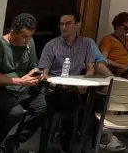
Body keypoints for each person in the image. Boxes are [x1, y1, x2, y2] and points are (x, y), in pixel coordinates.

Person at [0, 13, 47, 153]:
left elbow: (33, 66)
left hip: (20, 90)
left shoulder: (30, 44)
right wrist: (20, 81)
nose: (27, 40)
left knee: (43, 106)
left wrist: (36, 74)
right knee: (15, 111)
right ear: (12, 32)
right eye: (24, 36)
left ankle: (14, 141)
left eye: (30, 36)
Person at [39, 11, 100, 152]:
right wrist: (57, 83)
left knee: (98, 101)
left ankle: (83, 138)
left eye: (68, 24)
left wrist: (85, 82)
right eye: (61, 24)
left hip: (77, 85)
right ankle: (67, 137)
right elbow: (44, 73)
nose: (64, 27)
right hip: (57, 88)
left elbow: (90, 67)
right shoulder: (52, 45)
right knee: (69, 101)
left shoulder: (86, 43)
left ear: (78, 25)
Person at [99, 12, 128, 76]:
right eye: (126, 28)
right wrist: (121, 66)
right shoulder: (107, 39)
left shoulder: (127, 39)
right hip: (120, 72)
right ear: (117, 25)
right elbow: (102, 59)